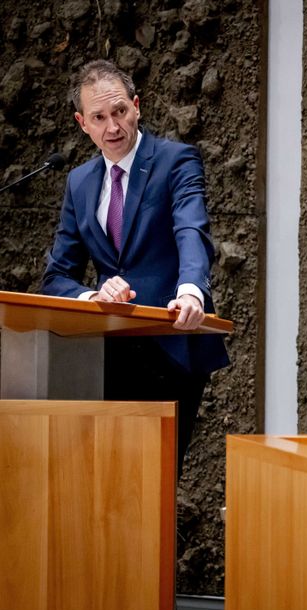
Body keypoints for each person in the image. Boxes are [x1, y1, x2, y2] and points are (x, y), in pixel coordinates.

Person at [41, 60, 229, 475]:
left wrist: (191, 291)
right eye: (99, 117)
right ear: (82, 123)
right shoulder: (79, 182)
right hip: (105, 354)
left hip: (170, 342)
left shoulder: (176, 160)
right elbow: (57, 276)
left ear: (137, 106)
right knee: (105, 479)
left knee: (153, 482)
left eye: (120, 111)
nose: (113, 127)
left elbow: (191, 230)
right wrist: (92, 296)